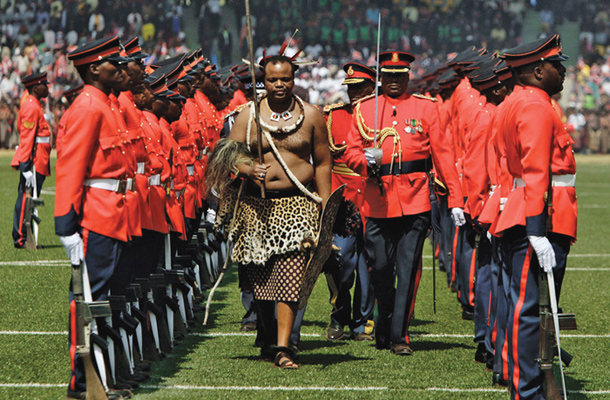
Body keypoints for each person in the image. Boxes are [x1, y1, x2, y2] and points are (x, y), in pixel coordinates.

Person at [214, 53, 332, 369]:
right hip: (256, 207)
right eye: (272, 79)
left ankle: (284, 348)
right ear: (262, 81)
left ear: (295, 79)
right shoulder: (247, 116)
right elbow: (230, 155)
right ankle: (268, 341)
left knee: (291, 277)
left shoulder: (311, 116)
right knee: (263, 281)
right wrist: (248, 169)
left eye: (285, 79)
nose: (279, 85)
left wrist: (325, 206)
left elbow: (322, 162)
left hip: (298, 205)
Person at [343, 51, 465, 355]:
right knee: (380, 267)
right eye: (388, 76)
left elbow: (443, 155)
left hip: (415, 199)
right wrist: (363, 160)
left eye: (400, 76)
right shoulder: (365, 109)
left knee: (408, 268)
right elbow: (350, 150)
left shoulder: (426, 107)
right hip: (377, 199)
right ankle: (383, 321)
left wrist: (457, 199)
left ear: (408, 77)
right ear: (380, 77)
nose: (394, 81)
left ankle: (399, 335)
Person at [494, 34, 576, 399]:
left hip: (531, 210)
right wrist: (536, 228)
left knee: (525, 306)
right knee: (529, 310)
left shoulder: (517, 102)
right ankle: (526, 390)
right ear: (538, 70)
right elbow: (535, 169)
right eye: (557, 66)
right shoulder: (536, 106)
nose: (562, 72)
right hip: (542, 214)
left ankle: (526, 383)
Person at [54, 36, 136, 400]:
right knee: (90, 299)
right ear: (93, 69)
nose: (120, 69)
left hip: (114, 212)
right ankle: (84, 382)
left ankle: (100, 376)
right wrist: (65, 225)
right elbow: (71, 167)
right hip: (96, 215)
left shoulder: (106, 104)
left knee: (101, 298)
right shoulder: (88, 106)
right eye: (113, 65)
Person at [323, 61, 376, 342]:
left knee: (371, 264)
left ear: (373, 88)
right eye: (351, 88)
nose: (354, 94)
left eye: (361, 88)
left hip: (375, 197)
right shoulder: (334, 116)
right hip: (343, 199)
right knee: (340, 261)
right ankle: (339, 314)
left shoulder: (382, 118)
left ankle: (363, 321)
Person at [11, 72, 51, 248]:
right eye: (44, 85)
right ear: (36, 88)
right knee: (27, 199)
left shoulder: (34, 104)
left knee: (30, 199)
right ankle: (21, 238)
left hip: (39, 157)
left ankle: (26, 237)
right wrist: (25, 166)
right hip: (34, 159)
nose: (47, 88)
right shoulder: (31, 106)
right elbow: (27, 138)